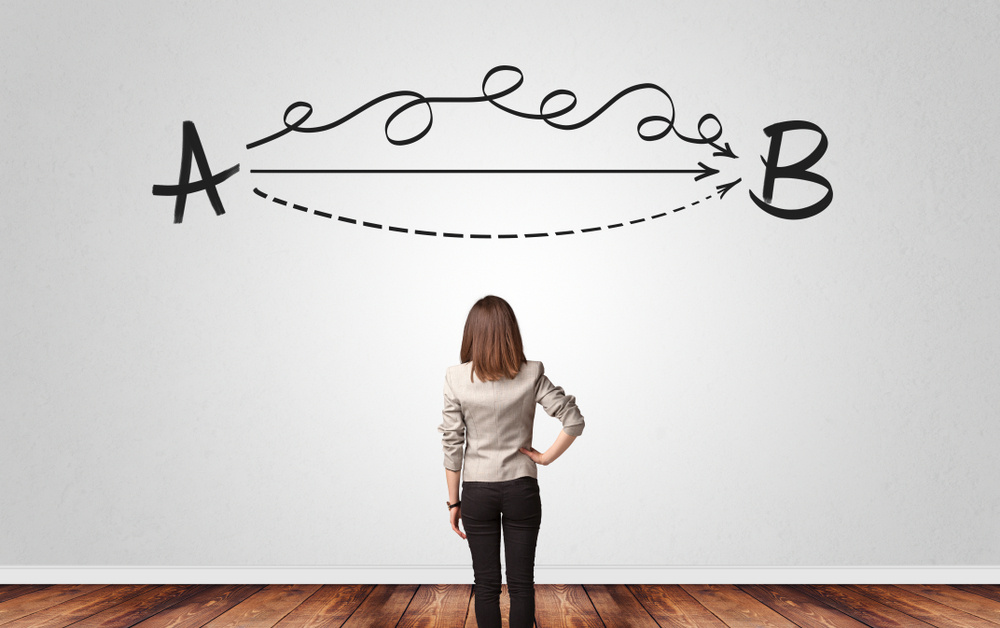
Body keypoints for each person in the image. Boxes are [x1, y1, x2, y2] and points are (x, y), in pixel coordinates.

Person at [437, 295, 585, 628]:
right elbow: (573, 420)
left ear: (471, 333)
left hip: (477, 490)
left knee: (485, 585)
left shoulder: (455, 378)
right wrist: (544, 458)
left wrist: (453, 502)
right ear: (511, 332)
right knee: (521, 585)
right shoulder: (531, 373)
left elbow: (452, 444)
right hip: (522, 488)